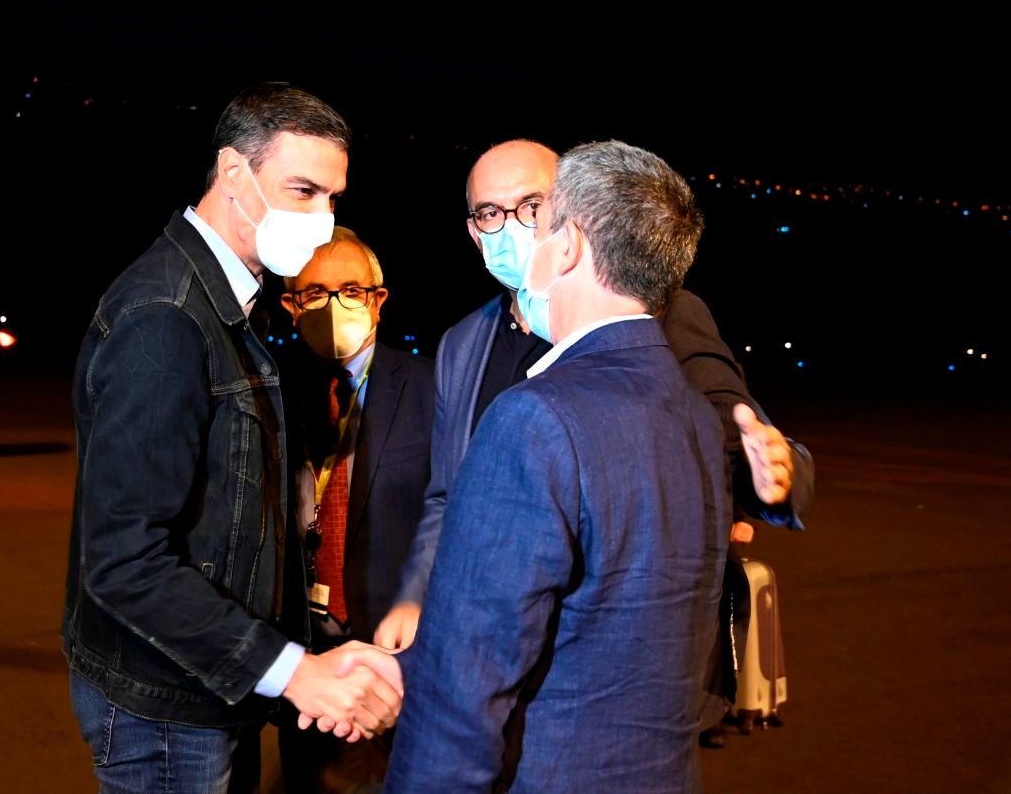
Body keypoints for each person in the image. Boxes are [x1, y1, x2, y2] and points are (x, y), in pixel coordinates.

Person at [373, 138, 814, 747]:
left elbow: (741, 436)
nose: (513, 227)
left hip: (617, 676)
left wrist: (777, 479)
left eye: (532, 205)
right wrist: (417, 596)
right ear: (474, 232)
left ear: (572, 215)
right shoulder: (462, 345)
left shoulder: (658, 311)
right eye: (490, 213)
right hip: (494, 662)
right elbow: (450, 495)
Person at [61, 81, 402, 794]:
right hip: (167, 707)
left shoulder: (232, 306)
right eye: (303, 190)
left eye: (333, 198)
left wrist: (303, 655)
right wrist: (295, 673)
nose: (323, 220)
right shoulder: (165, 317)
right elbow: (124, 562)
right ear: (233, 172)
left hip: (215, 687)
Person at [274, 227, 433, 793]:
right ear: (292, 307)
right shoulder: (273, 393)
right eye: (315, 293)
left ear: (378, 300)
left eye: (351, 290)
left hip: (400, 657)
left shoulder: (432, 387)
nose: (334, 305)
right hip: (304, 654)